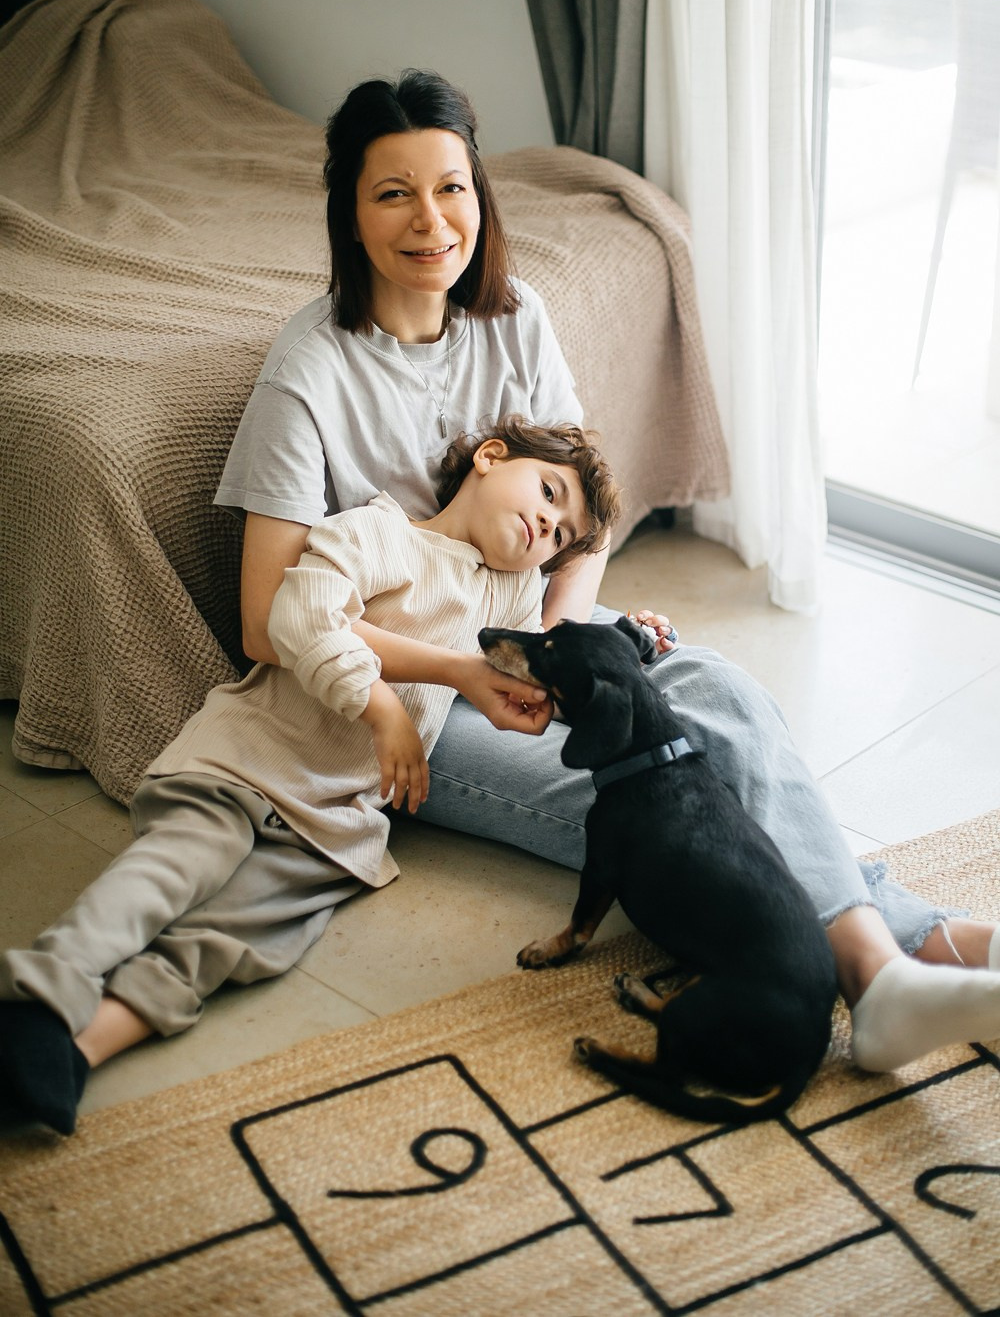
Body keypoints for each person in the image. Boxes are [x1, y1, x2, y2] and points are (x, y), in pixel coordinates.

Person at [212, 66, 1000, 1081]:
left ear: (480, 194)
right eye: (393, 193)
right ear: (349, 212)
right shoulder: (308, 370)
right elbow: (265, 618)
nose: (430, 221)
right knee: (664, 791)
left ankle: (892, 965)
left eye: (451, 187)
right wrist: (474, 673)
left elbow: (580, 522)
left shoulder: (514, 318)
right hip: (410, 690)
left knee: (719, 691)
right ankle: (924, 950)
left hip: (525, 642)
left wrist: (564, 644)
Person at [0, 415, 622, 1135]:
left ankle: (75, 1052)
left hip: (335, 819)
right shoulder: (380, 533)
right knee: (173, 872)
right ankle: (41, 996)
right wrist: (382, 707)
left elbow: (539, 659)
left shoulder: (508, 594)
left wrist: (622, 642)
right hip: (252, 758)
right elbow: (301, 614)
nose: (546, 526)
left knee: (233, 941)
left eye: (560, 535)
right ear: (489, 456)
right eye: (548, 494)